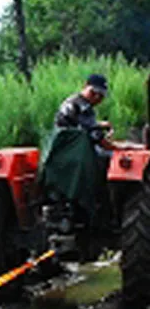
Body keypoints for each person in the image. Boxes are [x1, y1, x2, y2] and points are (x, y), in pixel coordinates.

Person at [41, 73, 115, 225]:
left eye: (99, 95)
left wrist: (100, 124)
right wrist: (119, 147)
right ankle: (103, 209)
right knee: (111, 159)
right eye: (95, 93)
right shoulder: (85, 108)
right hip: (79, 154)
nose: (97, 98)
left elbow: (78, 125)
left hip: (61, 153)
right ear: (87, 88)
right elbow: (97, 138)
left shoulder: (71, 102)